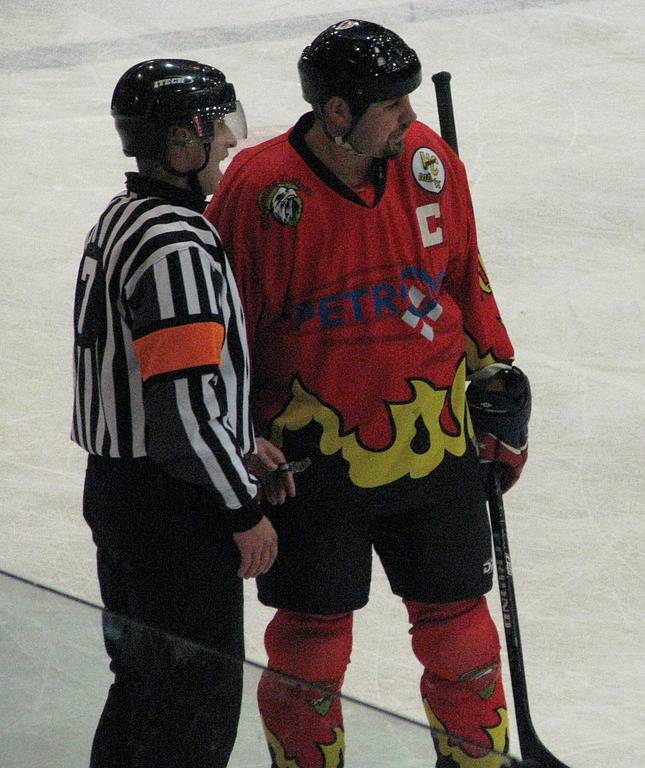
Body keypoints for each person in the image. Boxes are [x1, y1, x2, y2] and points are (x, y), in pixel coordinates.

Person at [205, 19, 531, 768]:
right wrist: (236, 452)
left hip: (435, 433)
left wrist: (495, 377)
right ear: (338, 112)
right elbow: (226, 338)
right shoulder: (260, 190)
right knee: (309, 650)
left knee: (461, 634)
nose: (410, 119)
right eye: (391, 104)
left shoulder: (427, 162)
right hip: (309, 460)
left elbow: (463, 276)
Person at [71, 58, 292, 768]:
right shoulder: (176, 246)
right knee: (192, 704)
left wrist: (237, 441)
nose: (228, 143)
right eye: (214, 129)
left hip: (121, 490)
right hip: (173, 511)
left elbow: (170, 393)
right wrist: (241, 509)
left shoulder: (124, 216)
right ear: (179, 143)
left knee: (140, 684)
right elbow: (182, 417)